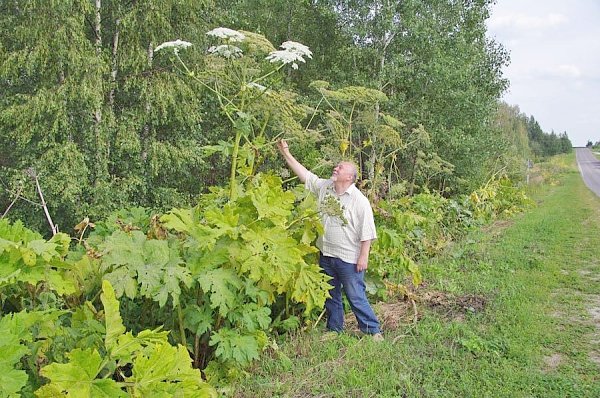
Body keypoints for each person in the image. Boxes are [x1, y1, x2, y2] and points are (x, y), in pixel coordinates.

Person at [277, 139, 383, 341]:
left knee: (355, 297)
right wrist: (286, 154)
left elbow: (367, 232)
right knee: (330, 295)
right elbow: (306, 176)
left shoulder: (359, 201)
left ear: (350, 177)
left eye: (340, 167)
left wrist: (363, 257)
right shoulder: (326, 187)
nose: (336, 167)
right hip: (326, 254)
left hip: (348, 259)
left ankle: (373, 331)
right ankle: (334, 329)